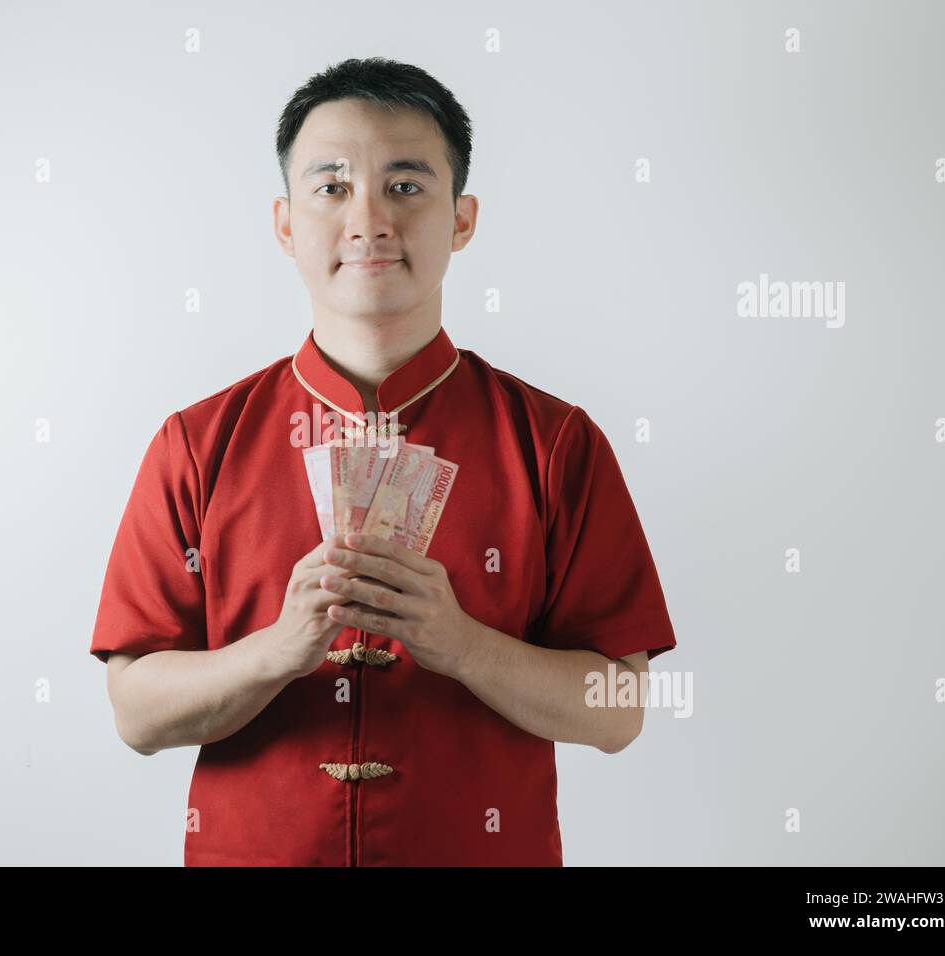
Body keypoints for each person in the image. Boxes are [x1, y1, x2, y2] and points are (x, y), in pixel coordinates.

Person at [90, 57, 677, 866]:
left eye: (405, 186)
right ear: (286, 222)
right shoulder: (197, 443)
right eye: (332, 187)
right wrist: (276, 651)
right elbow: (135, 713)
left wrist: (462, 644)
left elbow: (621, 707)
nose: (368, 220)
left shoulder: (554, 442)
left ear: (462, 218)